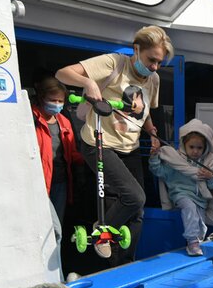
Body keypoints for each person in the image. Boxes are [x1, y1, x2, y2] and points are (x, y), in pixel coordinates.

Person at [55, 26, 173, 265]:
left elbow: (145, 110)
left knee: (137, 212)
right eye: (151, 60)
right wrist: (88, 83)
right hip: (100, 143)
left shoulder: (154, 79)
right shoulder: (113, 63)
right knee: (133, 197)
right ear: (136, 49)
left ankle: (127, 265)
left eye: (159, 63)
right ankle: (102, 232)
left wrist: (151, 131)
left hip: (130, 147)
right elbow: (62, 73)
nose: (154, 67)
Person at [149, 119, 213, 256]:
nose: (195, 151)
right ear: (184, 144)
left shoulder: (207, 164)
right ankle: (192, 242)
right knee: (189, 207)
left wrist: (210, 177)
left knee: (201, 226)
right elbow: (159, 171)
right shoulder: (175, 159)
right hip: (181, 194)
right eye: (191, 147)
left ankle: (196, 241)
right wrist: (154, 157)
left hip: (200, 199)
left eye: (199, 148)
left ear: (205, 148)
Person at [31, 76, 83, 236]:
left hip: (60, 181)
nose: (57, 104)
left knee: (56, 228)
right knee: (50, 230)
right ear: (42, 98)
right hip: (38, 183)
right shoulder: (30, 118)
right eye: (52, 100)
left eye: (60, 101)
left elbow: (73, 153)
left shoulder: (64, 122)